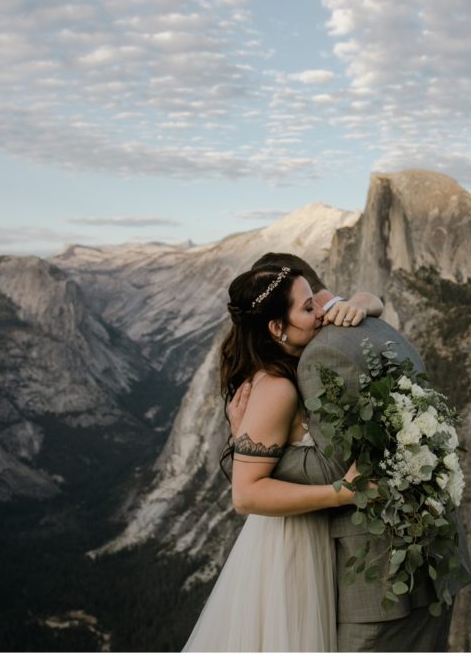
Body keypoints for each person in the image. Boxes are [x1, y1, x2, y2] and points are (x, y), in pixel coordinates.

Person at [254, 253, 471, 652]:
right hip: (435, 555)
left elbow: (336, 468)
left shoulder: (320, 354)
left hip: (384, 578)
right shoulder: (375, 324)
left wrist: (258, 453)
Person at [182, 262, 383, 652]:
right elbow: (246, 495)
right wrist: (342, 492)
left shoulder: (289, 364)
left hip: (305, 534)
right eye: (308, 308)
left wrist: (361, 303)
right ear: (277, 328)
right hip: (290, 546)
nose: (321, 312)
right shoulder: (277, 387)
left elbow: (368, 301)